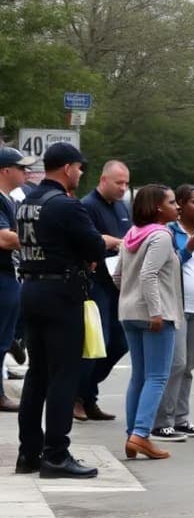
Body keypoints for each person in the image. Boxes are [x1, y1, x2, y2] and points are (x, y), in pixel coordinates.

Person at [14, 142, 106, 478]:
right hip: (61, 293)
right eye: (79, 168)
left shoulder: (28, 203)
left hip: (32, 288)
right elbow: (94, 245)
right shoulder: (67, 206)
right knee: (64, 375)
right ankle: (56, 455)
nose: (80, 174)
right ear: (67, 168)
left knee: (36, 375)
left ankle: (29, 453)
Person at [113, 185, 181, 460]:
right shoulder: (161, 236)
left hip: (129, 312)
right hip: (156, 314)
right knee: (157, 376)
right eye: (172, 202)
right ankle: (141, 434)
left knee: (139, 376)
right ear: (158, 208)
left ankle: (133, 434)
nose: (177, 206)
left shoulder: (130, 234)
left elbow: (118, 276)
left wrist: (129, 299)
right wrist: (155, 310)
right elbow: (149, 275)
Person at [151, 185, 194, 442]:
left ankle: (181, 419)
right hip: (176, 308)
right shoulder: (171, 232)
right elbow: (167, 266)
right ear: (180, 204)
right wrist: (188, 249)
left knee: (189, 366)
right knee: (175, 365)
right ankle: (162, 422)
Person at [77, 159, 131, 422]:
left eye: (126, 183)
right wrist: (106, 243)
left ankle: (88, 394)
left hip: (119, 285)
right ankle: (79, 397)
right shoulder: (88, 206)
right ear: (103, 180)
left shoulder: (122, 207)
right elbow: (85, 242)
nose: (123, 188)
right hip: (96, 284)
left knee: (121, 343)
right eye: (119, 183)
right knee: (99, 342)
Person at [0, 147, 35, 412]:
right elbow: (3, 237)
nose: (27, 172)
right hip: (2, 277)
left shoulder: (10, 200)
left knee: (6, 335)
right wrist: (41, 238)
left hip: (10, 275)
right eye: (21, 168)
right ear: (6, 170)